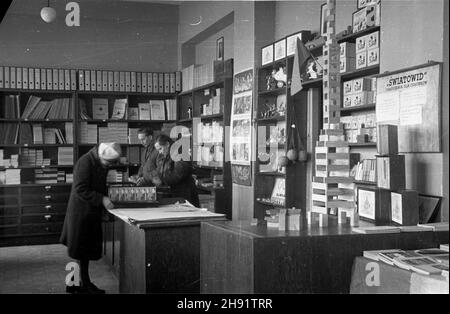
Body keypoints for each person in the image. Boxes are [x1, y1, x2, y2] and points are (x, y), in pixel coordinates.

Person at [60, 142, 122, 294]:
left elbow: (98, 185)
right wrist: (102, 199)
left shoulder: (99, 162)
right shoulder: (85, 162)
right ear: (101, 156)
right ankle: (80, 285)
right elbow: (80, 189)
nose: (109, 166)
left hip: (89, 211)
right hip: (80, 212)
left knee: (81, 252)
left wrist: (106, 196)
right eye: (108, 163)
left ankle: (74, 285)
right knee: (78, 251)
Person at [150, 134, 200, 207]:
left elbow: (178, 174)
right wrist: (156, 177)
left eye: (160, 149)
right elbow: (160, 169)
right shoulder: (165, 154)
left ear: (167, 144)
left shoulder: (179, 152)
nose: (159, 152)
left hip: (184, 193)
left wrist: (162, 181)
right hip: (175, 193)